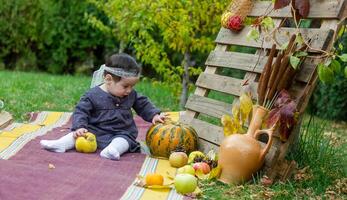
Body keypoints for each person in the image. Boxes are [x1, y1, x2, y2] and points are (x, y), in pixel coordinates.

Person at [40, 53, 166, 160]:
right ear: (108, 79)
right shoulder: (93, 95)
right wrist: (80, 127)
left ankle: (112, 150)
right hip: (95, 132)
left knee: (124, 141)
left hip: (121, 132)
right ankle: (61, 144)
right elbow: (81, 111)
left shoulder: (131, 95)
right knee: (77, 135)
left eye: (132, 86)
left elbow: (143, 104)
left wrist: (154, 114)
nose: (129, 90)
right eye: (125, 86)